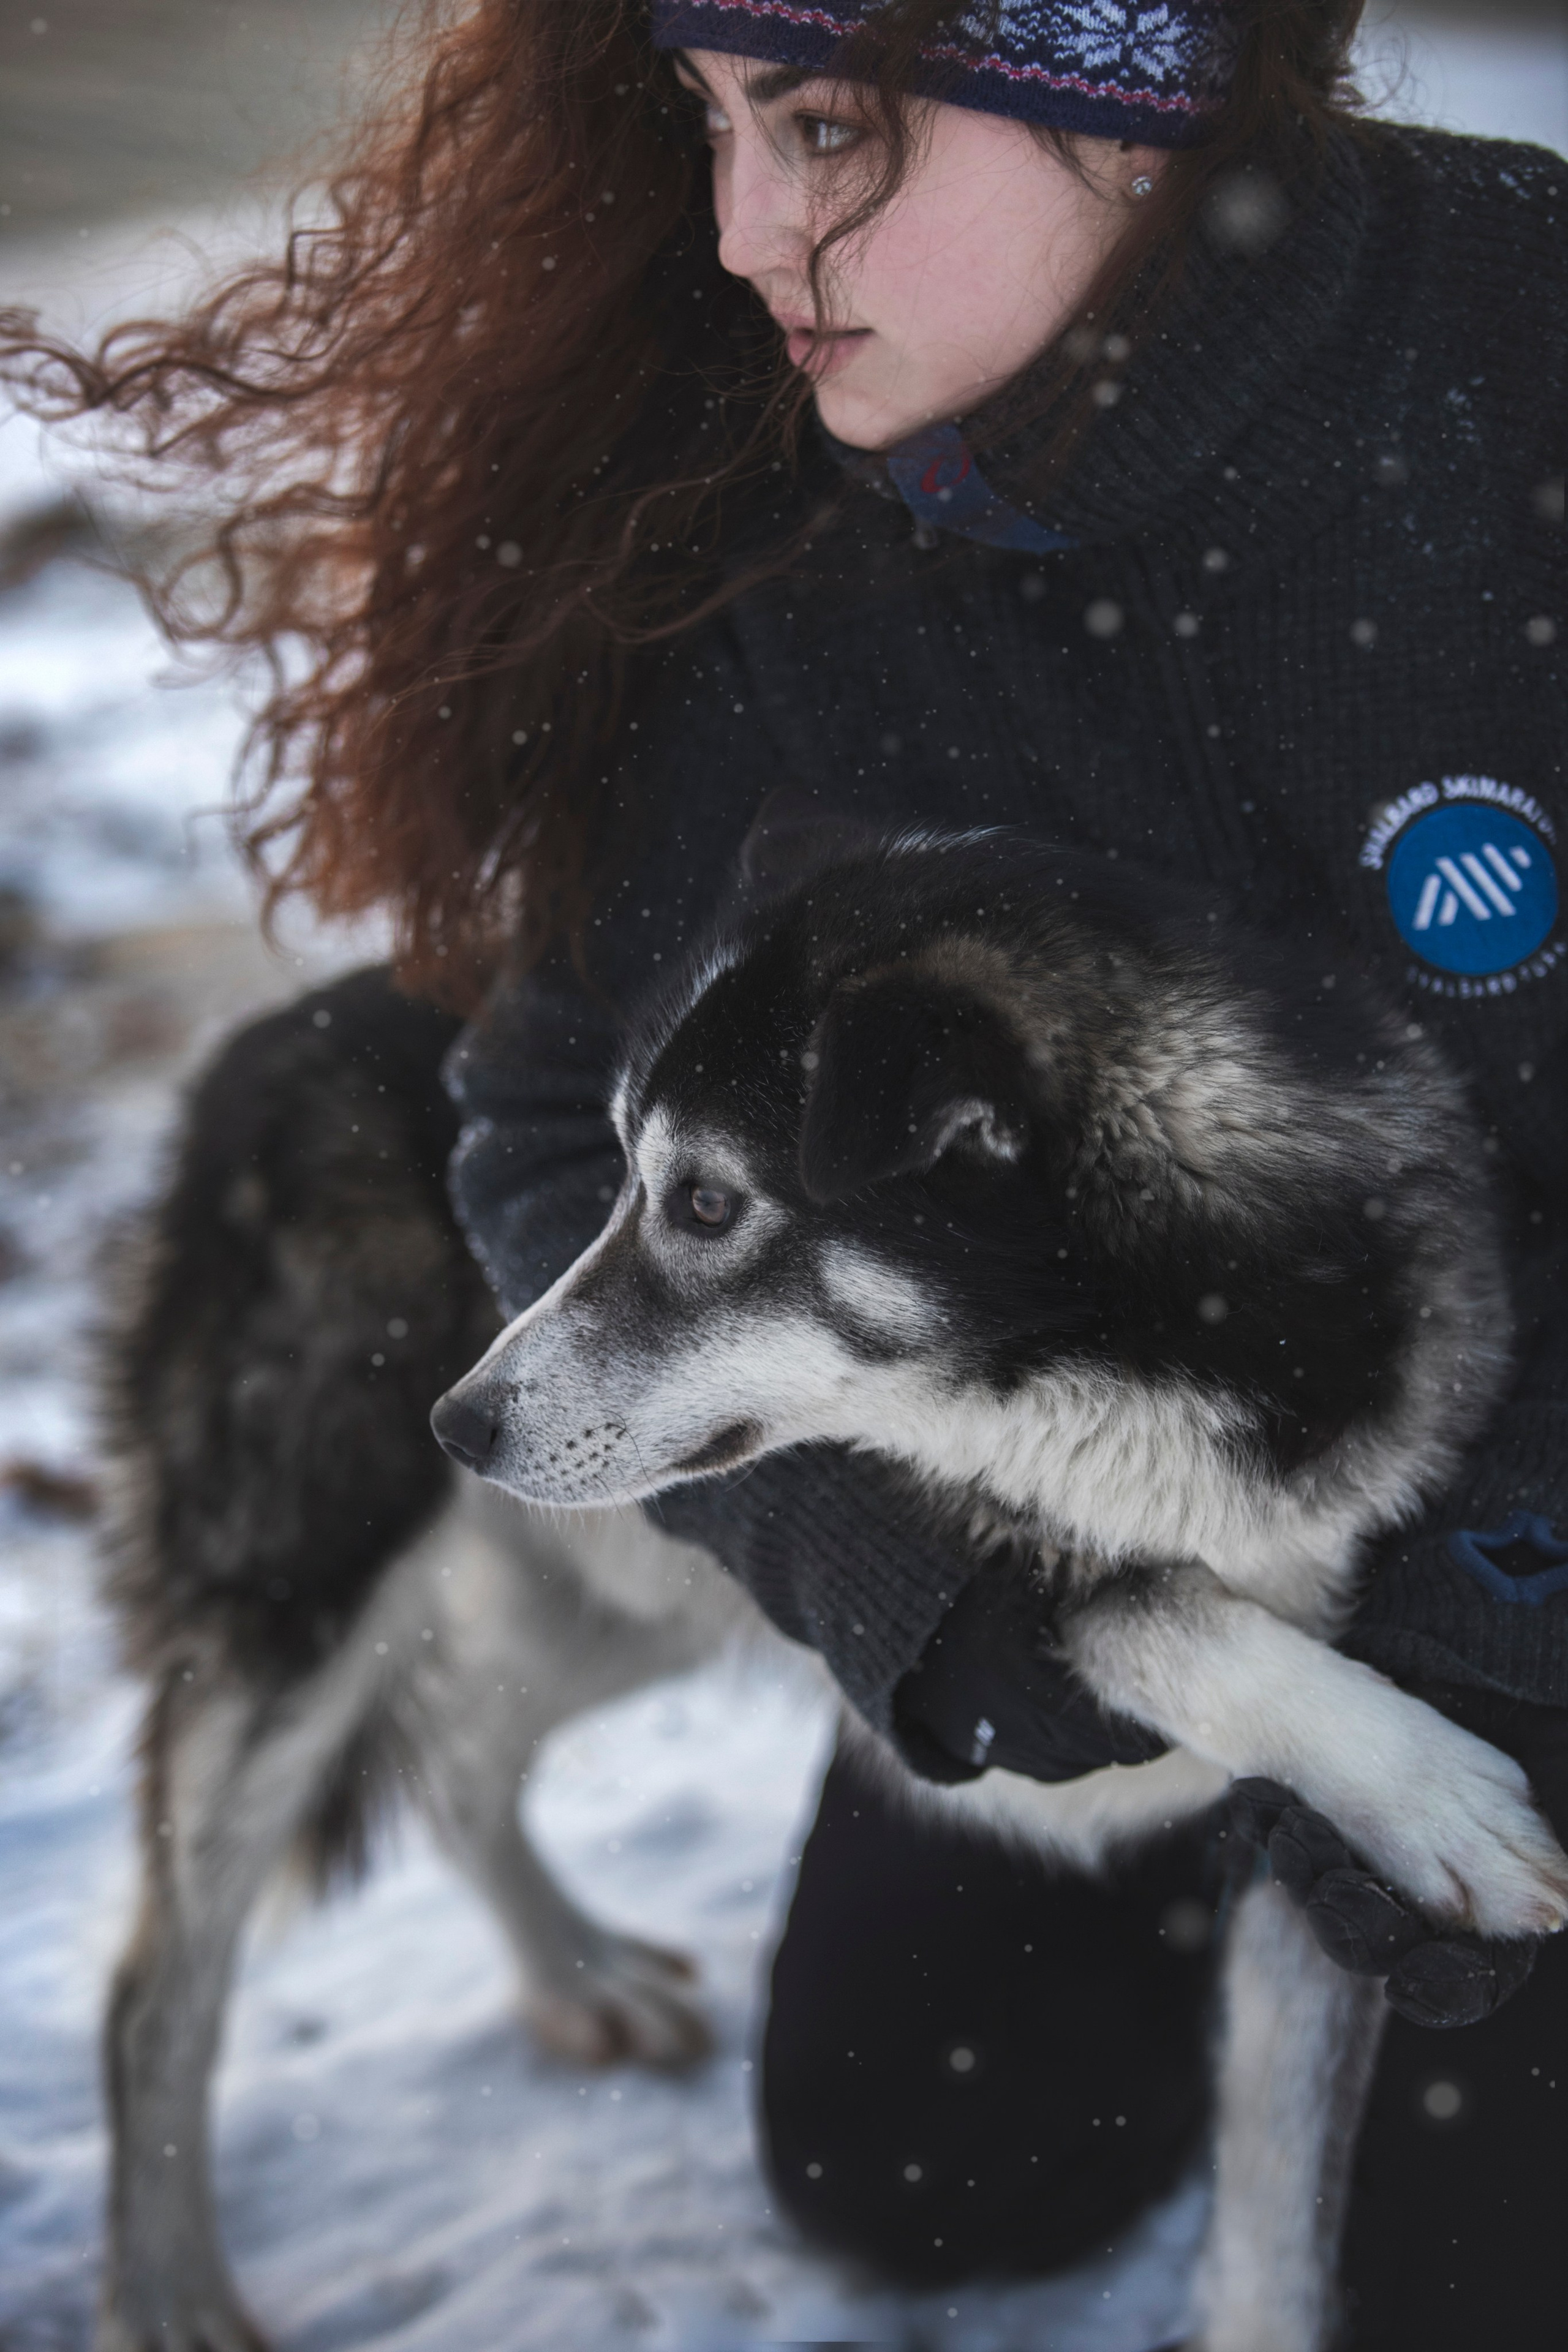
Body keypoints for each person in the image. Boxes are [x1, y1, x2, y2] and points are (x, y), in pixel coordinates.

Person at [6, 0, 1564, 2340]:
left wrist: (1483, 1634)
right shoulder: (776, 533)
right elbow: (548, 1112)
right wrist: (924, 1602)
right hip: (1080, 1519)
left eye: (826, 130)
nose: (741, 232)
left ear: (1129, 99)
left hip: (1509, 1520)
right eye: (713, 123)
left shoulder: (1519, 369)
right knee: (920, 2175)